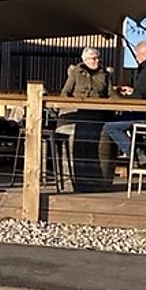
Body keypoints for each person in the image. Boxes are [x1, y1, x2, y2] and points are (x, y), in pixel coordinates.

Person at [57, 47, 114, 192]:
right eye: (93, 58)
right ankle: (80, 183)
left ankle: (98, 184)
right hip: (80, 114)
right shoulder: (76, 73)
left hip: (99, 115)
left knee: (98, 147)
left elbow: (111, 94)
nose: (96, 61)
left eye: (98, 58)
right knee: (80, 148)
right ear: (85, 60)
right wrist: (70, 105)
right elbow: (65, 92)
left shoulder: (104, 74)